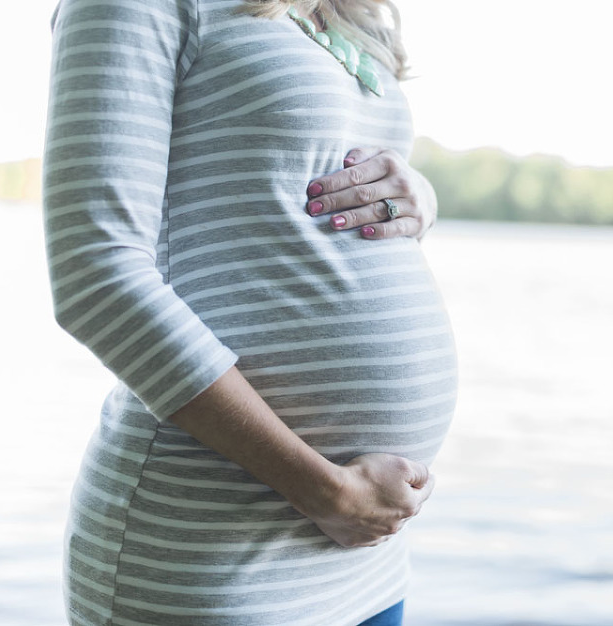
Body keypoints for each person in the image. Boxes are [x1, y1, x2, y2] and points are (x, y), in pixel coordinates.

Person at [42, 0, 457, 624]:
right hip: (210, 557)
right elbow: (95, 272)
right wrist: (320, 488)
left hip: (365, 565)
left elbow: (295, 184)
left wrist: (417, 197)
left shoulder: (337, 12)